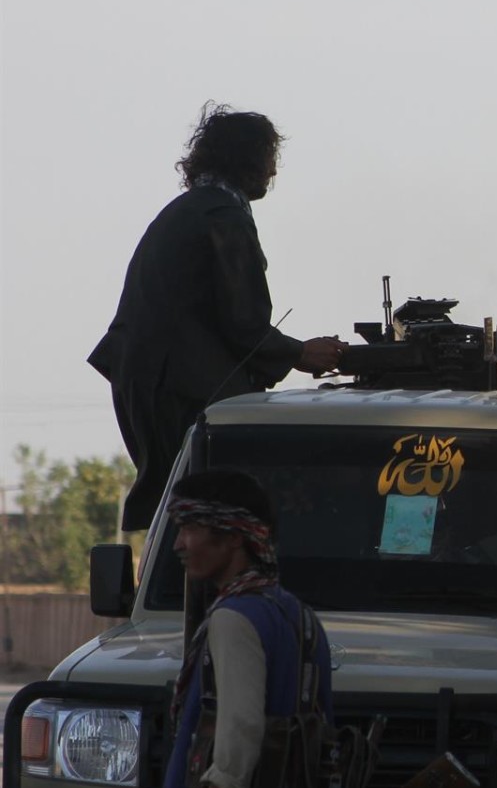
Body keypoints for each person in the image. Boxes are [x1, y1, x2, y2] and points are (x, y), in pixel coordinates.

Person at [89, 105, 345, 530]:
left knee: (186, 509)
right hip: (177, 389)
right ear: (249, 160)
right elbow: (243, 322)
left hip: (153, 382)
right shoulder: (223, 218)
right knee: (212, 513)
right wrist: (302, 353)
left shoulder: (190, 208)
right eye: (268, 158)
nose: (272, 171)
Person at [161, 469, 343, 788]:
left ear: (233, 537)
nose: (179, 544)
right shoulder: (298, 615)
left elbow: (240, 734)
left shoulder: (233, 618)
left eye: (190, 528)